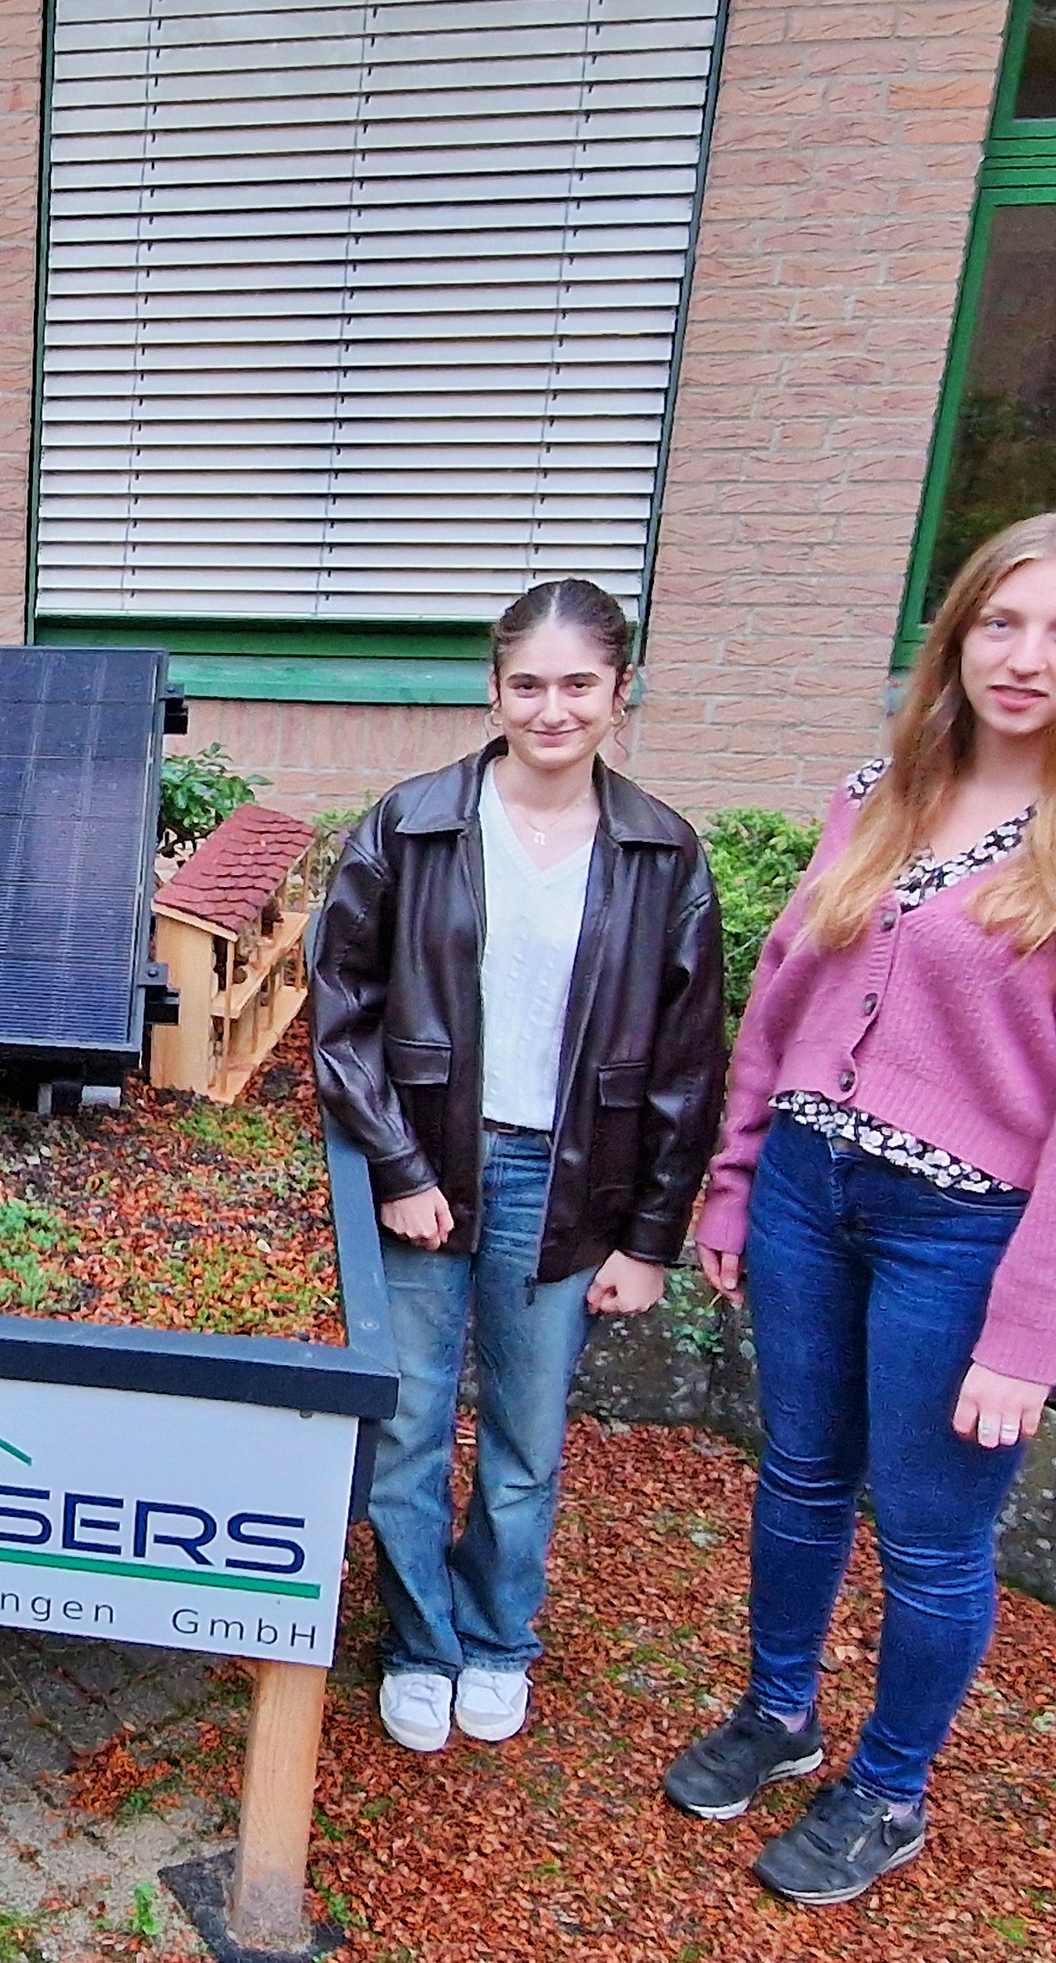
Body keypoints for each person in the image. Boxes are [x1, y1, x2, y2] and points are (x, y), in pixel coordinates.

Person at [666, 511, 1056, 1906]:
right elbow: (784, 998)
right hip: (808, 1190)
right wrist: (734, 1185)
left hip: (961, 1241)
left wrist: (1029, 1333)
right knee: (798, 1477)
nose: (1027, 658)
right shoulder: (883, 792)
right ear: (958, 633)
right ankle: (780, 1715)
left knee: (928, 1531)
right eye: (1002, 622)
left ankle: (892, 1787)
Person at [311, 578, 725, 1754]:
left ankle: (498, 1637)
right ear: (493, 689)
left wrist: (650, 1237)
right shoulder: (414, 822)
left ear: (620, 692)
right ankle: (420, 1640)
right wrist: (395, 1161)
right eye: (529, 683)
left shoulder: (660, 852)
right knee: (405, 1425)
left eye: (579, 684)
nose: (554, 708)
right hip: (430, 1170)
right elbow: (342, 1004)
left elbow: (688, 1067)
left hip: (572, 1180)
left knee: (525, 1440)